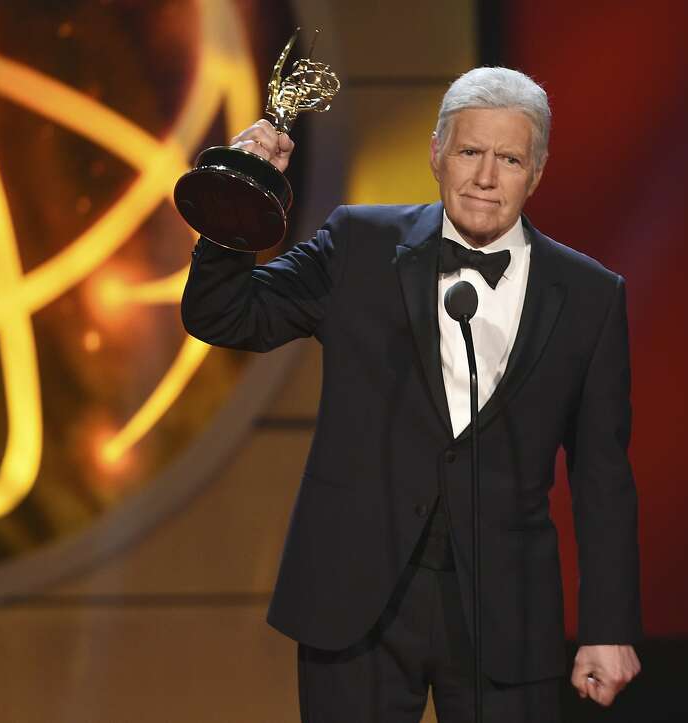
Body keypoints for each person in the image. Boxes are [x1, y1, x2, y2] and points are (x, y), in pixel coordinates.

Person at [181, 66, 641, 722]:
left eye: (509, 158)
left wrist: (608, 624)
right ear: (436, 153)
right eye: (469, 152)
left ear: (536, 171)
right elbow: (224, 316)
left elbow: (603, 476)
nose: (486, 176)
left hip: (507, 614)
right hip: (354, 605)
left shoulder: (592, 296)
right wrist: (239, 197)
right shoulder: (359, 245)